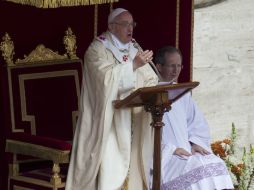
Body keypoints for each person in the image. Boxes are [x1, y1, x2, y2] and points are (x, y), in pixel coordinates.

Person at [66, 8, 158, 190]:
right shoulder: (97, 49)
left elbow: (150, 77)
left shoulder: (133, 47)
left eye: (132, 24)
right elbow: (103, 81)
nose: (130, 28)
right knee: (110, 167)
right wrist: (132, 66)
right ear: (111, 26)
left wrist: (152, 84)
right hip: (107, 122)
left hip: (133, 118)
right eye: (125, 24)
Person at [153, 46, 234, 190]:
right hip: (164, 156)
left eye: (179, 66)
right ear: (159, 66)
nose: (176, 70)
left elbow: (197, 124)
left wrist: (196, 143)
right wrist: (170, 149)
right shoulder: (148, 94)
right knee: (197, 168)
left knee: (216, 163)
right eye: (172, 65)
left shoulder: (182, 93)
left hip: (187, 151)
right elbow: (143, 135)